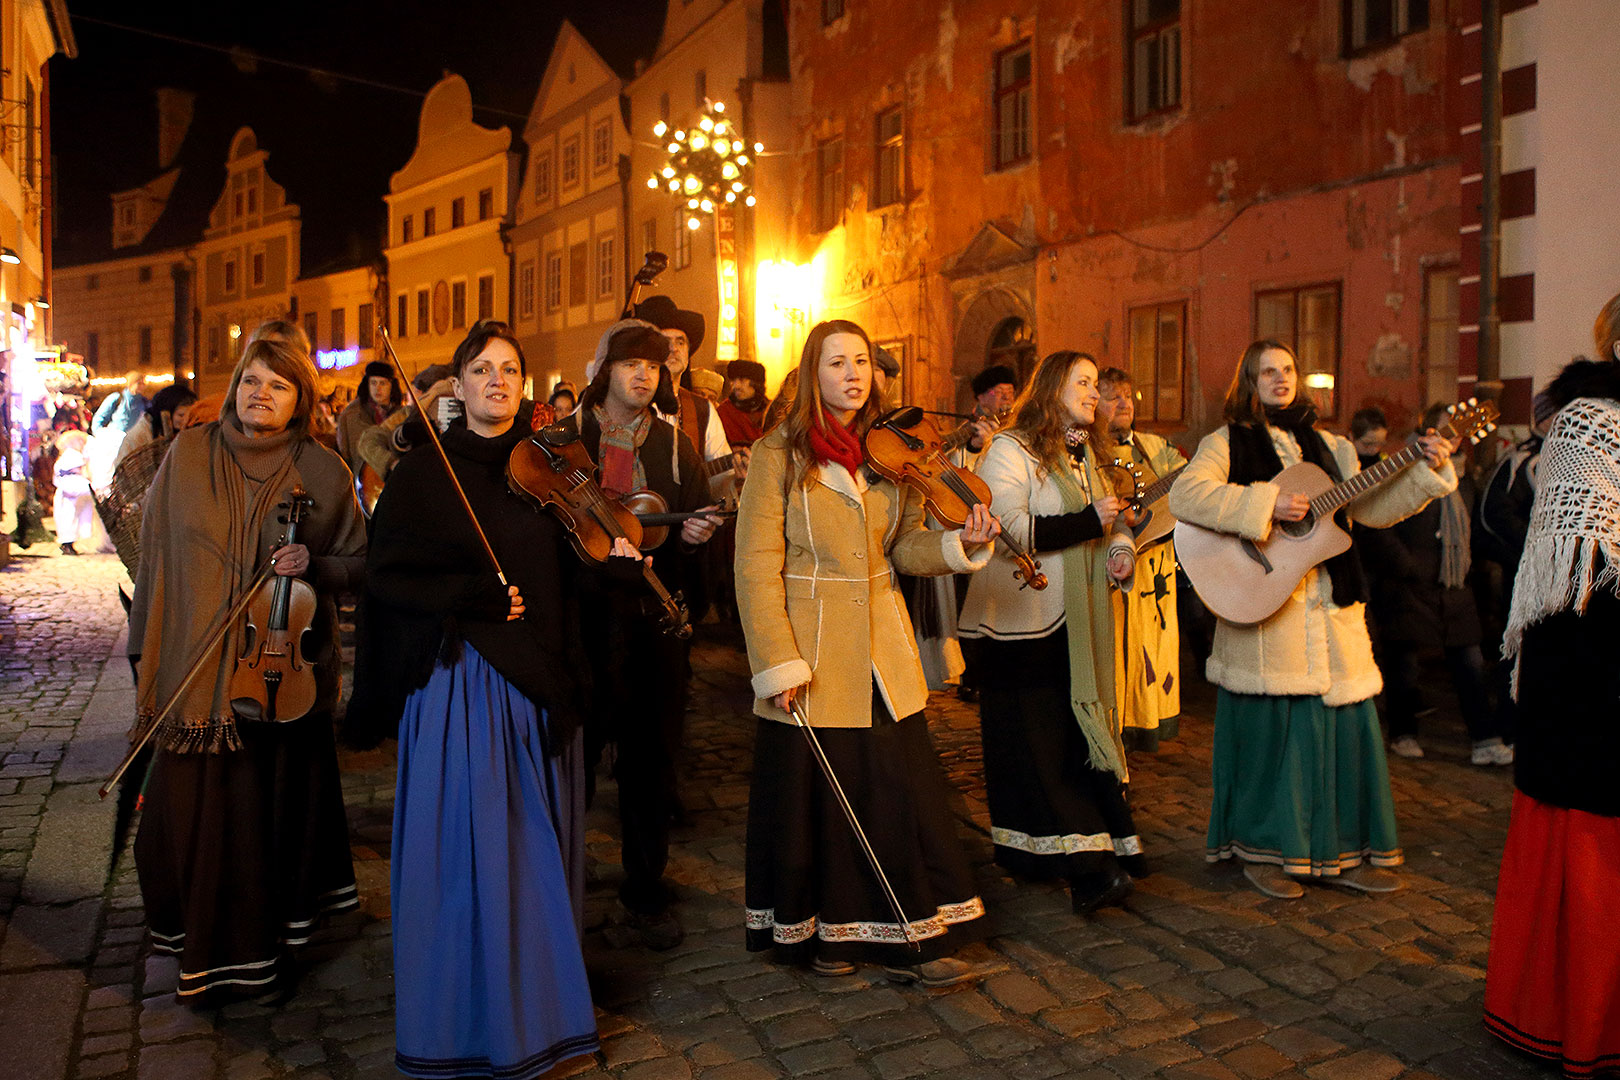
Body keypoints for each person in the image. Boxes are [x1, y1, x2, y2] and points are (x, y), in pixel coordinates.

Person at [363, 320, 599, 1079]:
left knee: (533, 861)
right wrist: (470, 595)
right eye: (482, 369)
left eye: (510, 369)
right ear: (457, 387)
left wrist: (624, 557)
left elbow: (578, 575)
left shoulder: (552, 467)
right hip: (462, 684)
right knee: (473, 860)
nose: (497, 380)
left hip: (537, 686)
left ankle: (544, 1019)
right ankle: (463, 1026)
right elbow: (388, 577)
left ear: (524, 386)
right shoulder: (424, 473)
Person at [736, 318, 1000, 987]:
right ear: (811, 374)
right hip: (814, 654)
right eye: (836, 363)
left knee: (896, 793)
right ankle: (831, 940)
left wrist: (959, 544)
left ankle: (911, 935)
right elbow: (755, 565)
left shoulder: (891, 454)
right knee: (824, 806)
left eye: (862, 362)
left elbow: (906, 546)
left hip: (882, 647)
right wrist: (778, 660)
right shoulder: (779, 453)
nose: (854, 375)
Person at [1168, 339, 1458, 899]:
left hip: (1332, 611)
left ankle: (1340, 851)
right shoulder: (1226, 440)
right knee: (1271, 739)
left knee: (1345, 737)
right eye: (1267, 372)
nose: (1280, 379)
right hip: (1265, 610)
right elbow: (1188, 496)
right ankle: (1264, 851)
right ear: (1249, 384)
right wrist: (1264, 505)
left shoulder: (1333, 446)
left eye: (1288, 370)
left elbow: (1370, 509)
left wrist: (1423, 469)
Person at [129, 336, 365, 1003]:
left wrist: (316, 566)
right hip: (193, 674)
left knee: (262, 823)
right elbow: (155, 554)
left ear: (301, 400)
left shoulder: (323, 471)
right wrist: (144, 650)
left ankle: (260, 956)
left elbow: (359, 563)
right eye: (252, 380)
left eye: (279, 385)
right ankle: (196, 944)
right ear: (234, 385)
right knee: (195, 821)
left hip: (276, 679)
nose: (261, 394)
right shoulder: (189, 453)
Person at [957, 350, 1144, 913]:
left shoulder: (1084, 452)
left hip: (1077, 617)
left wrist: (1120, 550)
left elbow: (1111, 524)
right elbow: (1007, 528)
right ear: (1052, 388)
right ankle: (1088, 868)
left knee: (1066, 738)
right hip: (1021, 624)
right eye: (1083, 382)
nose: (1094, 393)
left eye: (1096, 383)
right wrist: (1094, 524)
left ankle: (1057, 853)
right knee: (1035, 744)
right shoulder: (1010, 450)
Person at [1484, 337, 1620, 1077]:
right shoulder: (1589, 422)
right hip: (1592, 665)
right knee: (1591, 851)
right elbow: (1575, 558)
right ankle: (1576, 1015)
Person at [572, 320, 722, 949]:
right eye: (632, 363)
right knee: (572, 752)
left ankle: (644, 881)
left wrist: (695, 534)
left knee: (651, 754)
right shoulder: (566, 440)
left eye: (654, 368)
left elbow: (695, 513)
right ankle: (565, 873)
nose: (643, 375)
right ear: (606, 369)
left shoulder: (675, 444)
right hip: (581, 616)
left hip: (653, 619)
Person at [1360, 404, 1511, 765]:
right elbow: (1379, 520)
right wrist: (1406, 565)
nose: (1453, 437)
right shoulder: (1403, 464)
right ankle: (1403, 732)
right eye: (1446, 430)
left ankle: (1484, 739)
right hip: (1410, 583)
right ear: (1428, 432)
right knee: (1405, 666)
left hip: (1453, 584)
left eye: (1457, 432)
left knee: (1470, 664)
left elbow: (1473, 523)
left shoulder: (1466, 476)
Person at [1093, 366, 1184, 751]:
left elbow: (1183, 485)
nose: (1124, 403)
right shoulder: (1088, 451)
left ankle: (1147, 719)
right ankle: (1116, 721)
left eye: (1128, 395)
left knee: (1154, 644)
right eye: (1113, 396)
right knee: (1115, 643)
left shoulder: (1155, 446)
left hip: (1157, 562)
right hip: (1112, 562)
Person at [335, 361, 402, 478]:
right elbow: (348, 451)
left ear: (391, 386)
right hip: (364, 479)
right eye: (373, 383)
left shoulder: (399, 413)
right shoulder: (353, 414)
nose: (378, 388)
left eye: (383, 383)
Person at [114, 385, 197, 472]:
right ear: (167, 412)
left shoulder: (183, 432)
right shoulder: (139, 436)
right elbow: (123, 470)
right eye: (181, 415)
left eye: (190, 415)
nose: (186, 420)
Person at [52, 429, 95, 555]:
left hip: (69, 492)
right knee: (69, 519)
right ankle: (67, 544)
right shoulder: (72, 456)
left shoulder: (66, 457)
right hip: (71, 491)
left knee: (69, 519)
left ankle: (68, 544)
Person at [717, 359, 769, 450]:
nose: (736, 386)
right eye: (733, 380)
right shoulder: (723, 412)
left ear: (755, 383)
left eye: (742, 380)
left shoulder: (772, 410)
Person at [92, 371, 149, 437]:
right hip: (115, 440)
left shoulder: (144, 402)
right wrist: (98, 434)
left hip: (134, 442)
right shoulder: (117, 398)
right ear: (130, 384)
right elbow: (100, 416)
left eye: (143, 384)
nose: (142, 386)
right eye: (139, 383)